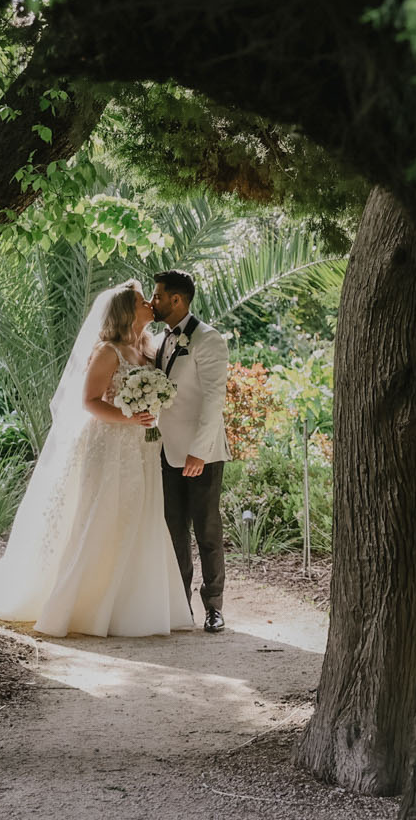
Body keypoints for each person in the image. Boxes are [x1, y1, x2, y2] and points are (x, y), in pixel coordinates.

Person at [0, 280, 192, 637]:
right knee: (103, 516)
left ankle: (130, 606)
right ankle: (88, 606)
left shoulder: (149, 349)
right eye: (141, 301)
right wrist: (129, 417)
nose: (149, 303)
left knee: (139, 516)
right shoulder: (108, 351)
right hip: (109, 446)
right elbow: (89, 402)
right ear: (126, 311)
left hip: (142, 448)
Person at [149, 269, 232, 633]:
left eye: (158, 296)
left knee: (207, 532)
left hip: (203, 455)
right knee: (175, 532)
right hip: (167, 452)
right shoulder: (161, 340)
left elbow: (214, 399)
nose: (153, 301)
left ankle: (214, 606)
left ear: (177, 299)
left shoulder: (208, 339)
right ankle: (181, 606)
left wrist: (199, 451)